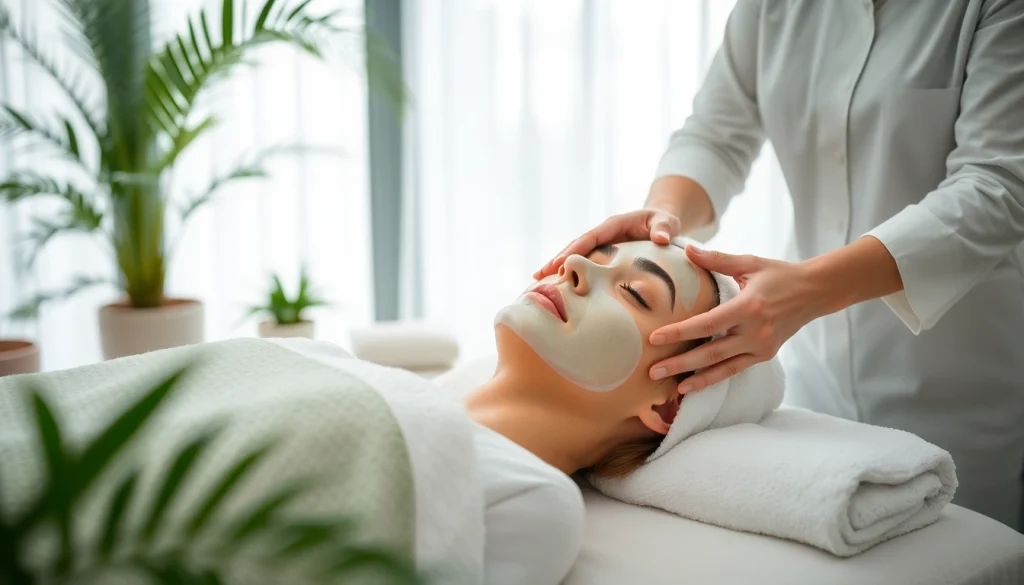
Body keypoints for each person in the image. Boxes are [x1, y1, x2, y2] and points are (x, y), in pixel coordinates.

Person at [535, 0, 1024, 529]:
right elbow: (715, 138)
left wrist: (809, 291)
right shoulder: (771, 9)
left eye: (637, 294)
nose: (579, 272)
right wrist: (664, 215)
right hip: (813, 379)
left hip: (959, 382)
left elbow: (999, 184)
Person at [463, 239, 719, 585]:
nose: (573, 266)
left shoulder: (528, 508)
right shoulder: (391, 387)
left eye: (634, 292)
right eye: (590, 257)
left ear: (667, 405)